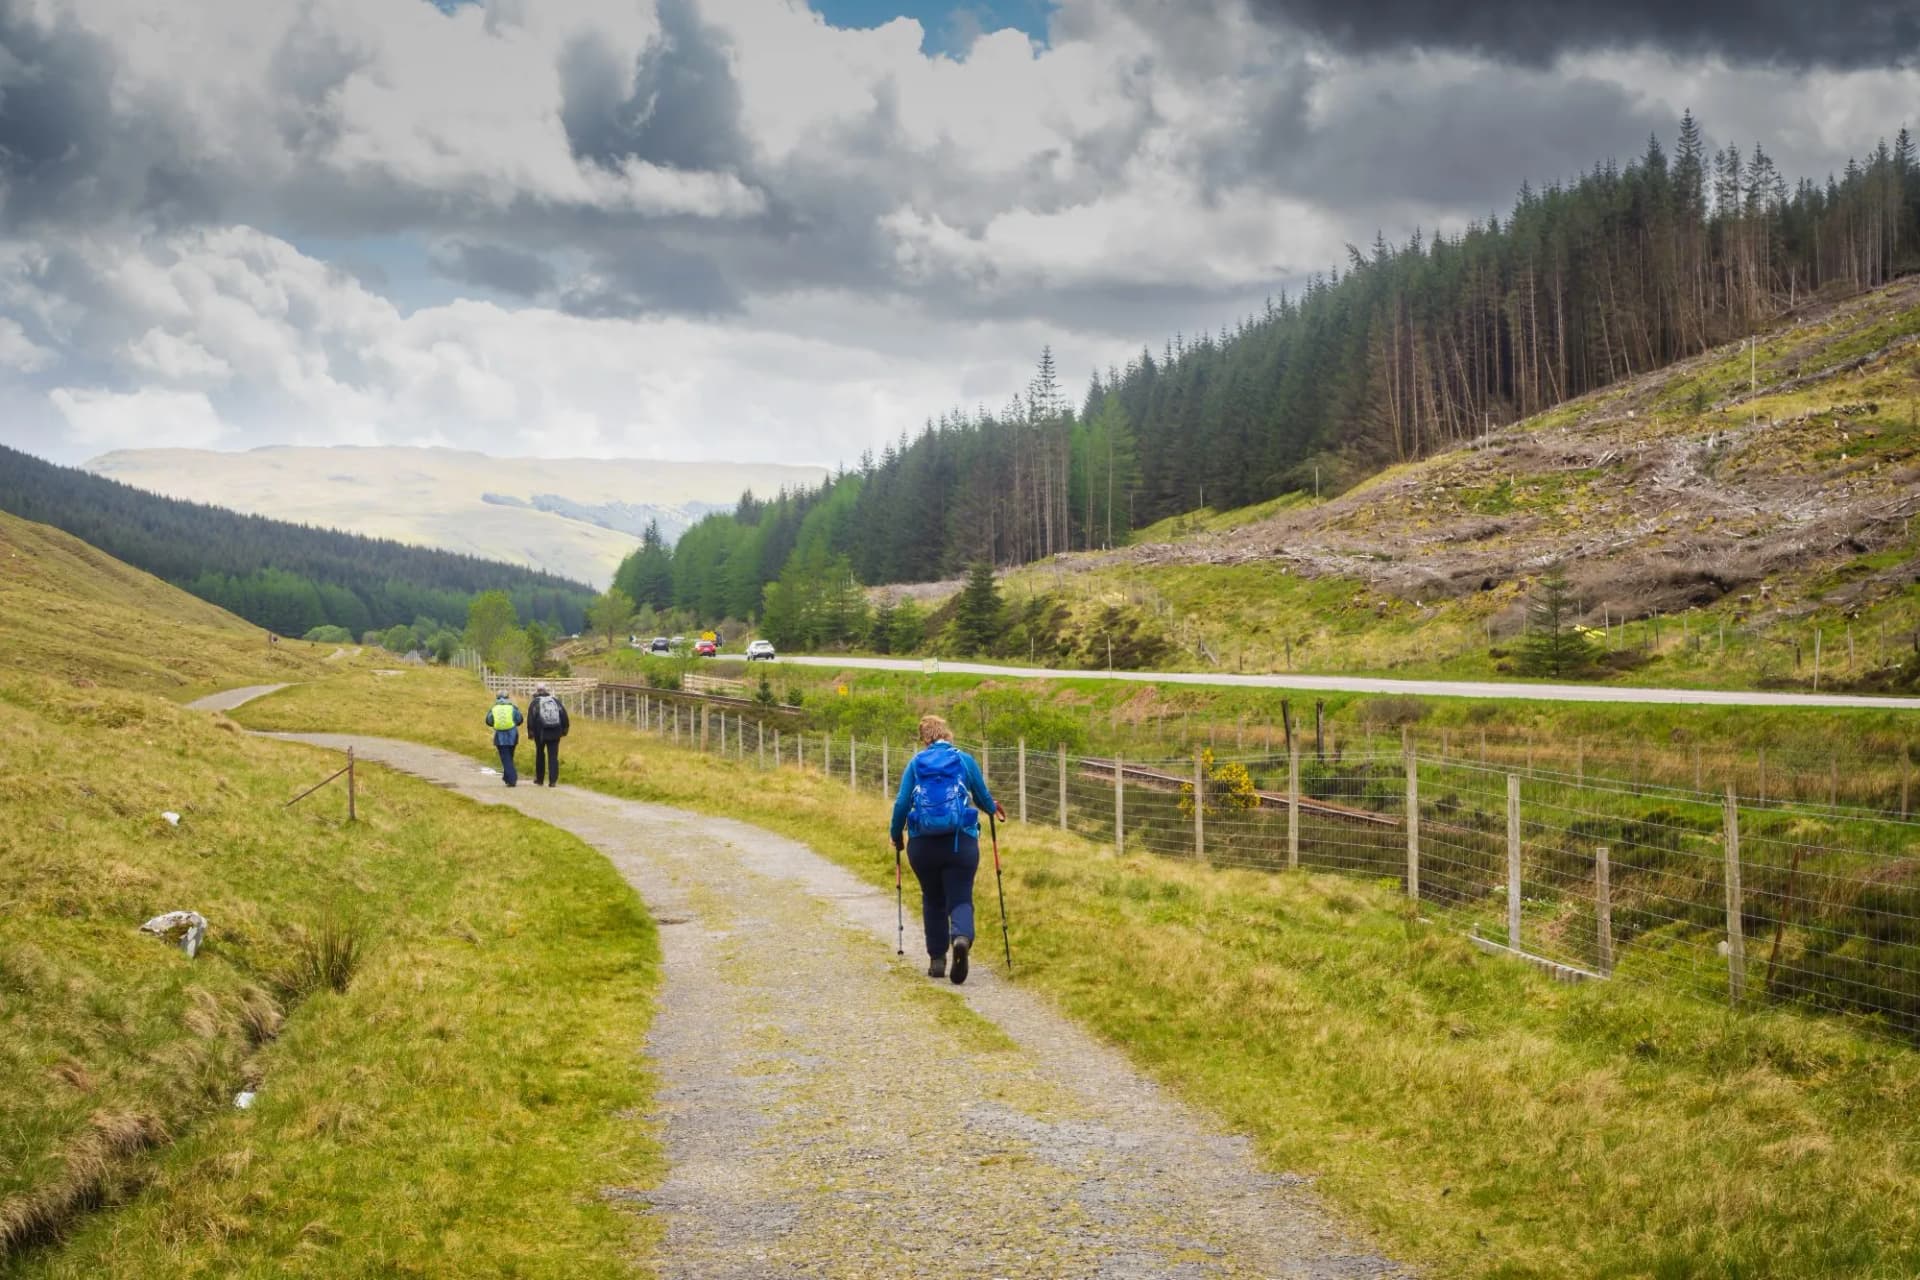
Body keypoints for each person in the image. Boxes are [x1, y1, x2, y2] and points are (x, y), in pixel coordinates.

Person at [890, 714, 1005, 984]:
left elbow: (902, 804)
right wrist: (993, 809)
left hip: (923, 845)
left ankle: (937, 961)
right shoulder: (964, 760)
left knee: (933, 898)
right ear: (947, 734)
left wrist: (896, 835)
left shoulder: (916, 763)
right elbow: (983, 797)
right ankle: (962, 938)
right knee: (961, 896)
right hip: (960, 842)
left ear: (924, 738)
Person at [527, 681, 570, 787]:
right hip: (555, 731)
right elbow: (564, 715)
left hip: (540, 733)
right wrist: (565, 729)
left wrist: (531, 733)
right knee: (553, 756)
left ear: (537, 691)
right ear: (546, 690)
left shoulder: (535, 702)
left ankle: (540, 779)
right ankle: (553, 781)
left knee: (540, 754)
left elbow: (530, 719)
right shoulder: (555, 701)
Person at [485, 692, 524, 787]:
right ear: (508, 697)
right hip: (513, 735)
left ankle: (512, 779)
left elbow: (489, 721)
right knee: (509, 756)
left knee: (505, 758)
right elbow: (519, 720)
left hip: (500, 737)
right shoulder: (512, 707)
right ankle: (507, 778)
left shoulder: (494, 708)